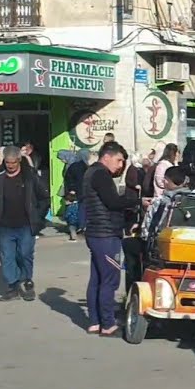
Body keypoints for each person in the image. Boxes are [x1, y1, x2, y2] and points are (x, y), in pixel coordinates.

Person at [82, 142, 144, 336]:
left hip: (95, 232)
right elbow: (113, 202)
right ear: (106, 156)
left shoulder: (91, 173)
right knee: (109, 280)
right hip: (106, 233)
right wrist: (138, 201)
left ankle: (95, 321)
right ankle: (108, 324)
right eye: (119, 161)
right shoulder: (101, 174)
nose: (120, 166)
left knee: (97, 279)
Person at [0, 146, 49, 302]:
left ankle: (27, 280)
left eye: (13, 163)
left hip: (26, 225)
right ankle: (12, 287)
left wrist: (38, 217)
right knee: (7, 257)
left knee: (24, 254)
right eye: (7, 162)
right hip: (5, 226)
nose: (10, 166)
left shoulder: (29, 176)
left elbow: (44, 198)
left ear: (19, 160)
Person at [62, 149, 90, 241]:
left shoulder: (74, 166)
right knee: (81, 211)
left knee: (73, 212)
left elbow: (68, 179)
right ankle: (81, 228)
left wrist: (71, 189)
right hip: (83, 193)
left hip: (75, 193)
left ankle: (75, 230)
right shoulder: (86, 166)